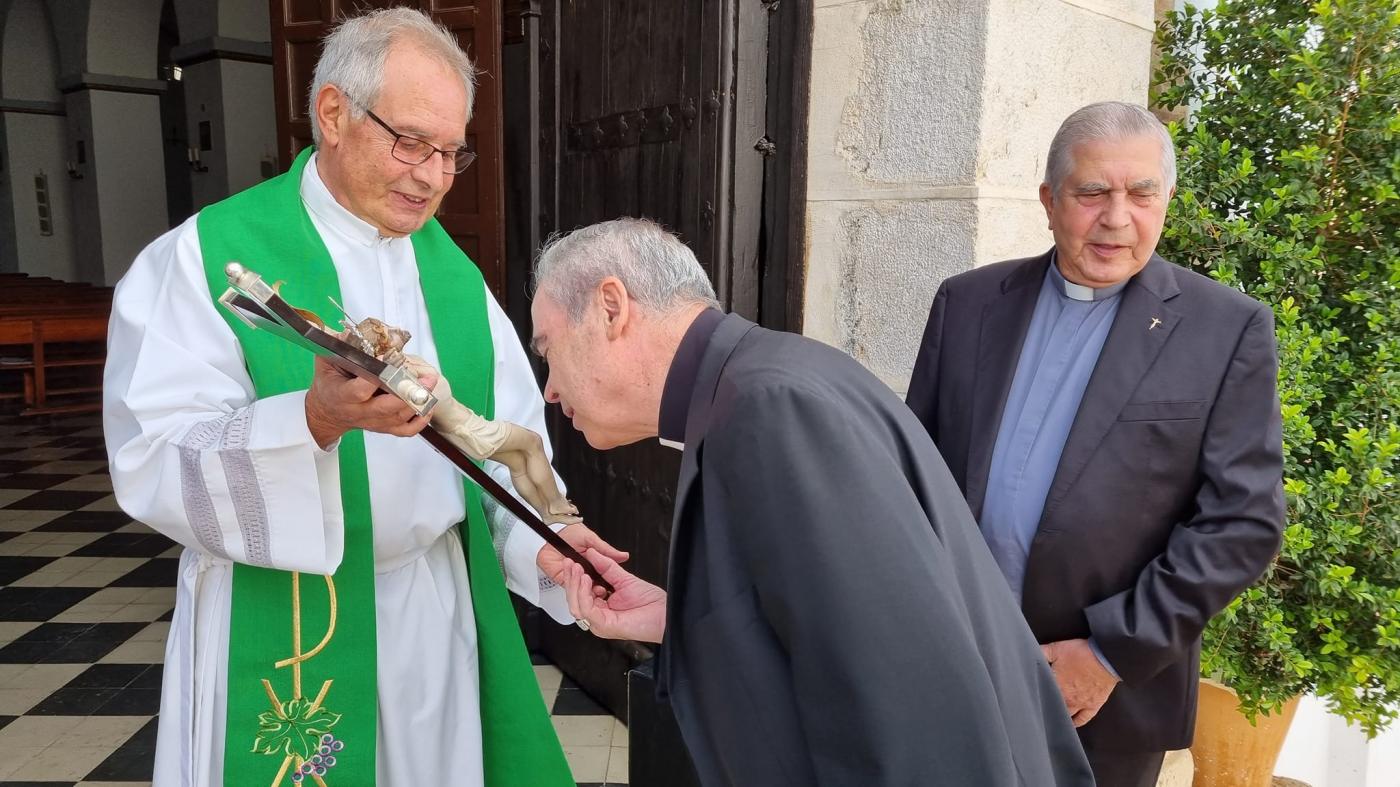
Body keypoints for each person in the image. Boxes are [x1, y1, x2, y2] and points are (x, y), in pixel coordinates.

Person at [103, 9, 621, 786]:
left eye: (452, 153)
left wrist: (545, 543)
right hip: (276, 614)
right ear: (334, 114)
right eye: (412, 142)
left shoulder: (457, 283)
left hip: (428, 616)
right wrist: (313, 420)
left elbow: (505, 448)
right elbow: (151, 456)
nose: (434, 176)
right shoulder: (203, 260)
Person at [533, 218, 1095, 786]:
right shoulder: (758, 384)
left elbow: (902, 693)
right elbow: (820, 628)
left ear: (611, 308)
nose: (549, 388)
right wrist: (674, 619)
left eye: (548, 346)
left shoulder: (771, 409)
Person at [904, 101, 1286, 787]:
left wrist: (1110, 651)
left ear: (1167, 199)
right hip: (954, 658)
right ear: (1050, 200)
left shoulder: (1226, 330)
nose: (1118, 217)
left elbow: (1242, 523)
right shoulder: (966, 303)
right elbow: (912, 475)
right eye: (1092, 193)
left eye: (1142, 194)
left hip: (1103, 694)